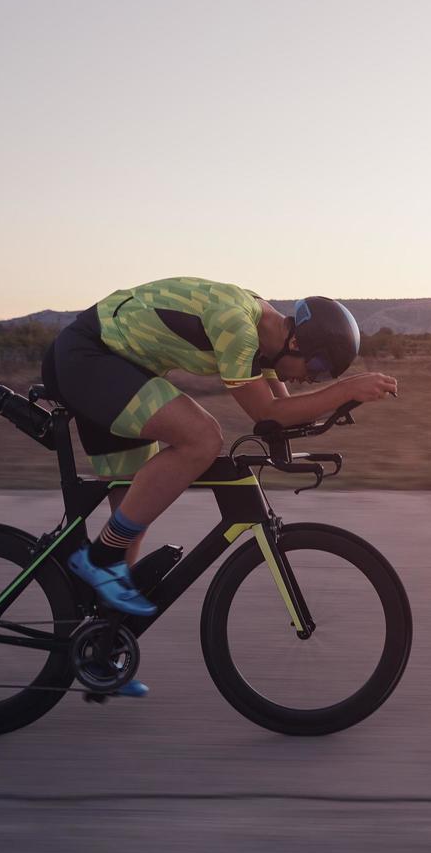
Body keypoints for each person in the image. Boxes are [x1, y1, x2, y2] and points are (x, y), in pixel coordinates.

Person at [39, 277, 397, 696]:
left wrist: (332, 410)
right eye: (317, 369)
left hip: (116, 367)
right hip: (91, 357)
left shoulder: (266, 337)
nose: (309, 380)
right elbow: (269, 410)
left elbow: (277, 418)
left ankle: (102, 646)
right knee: (202, 438)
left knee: (136, 500)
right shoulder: (237, 325)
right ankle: (96, 559)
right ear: (297, 344)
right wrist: (344, 390)